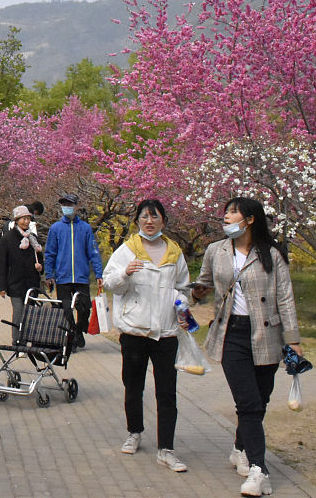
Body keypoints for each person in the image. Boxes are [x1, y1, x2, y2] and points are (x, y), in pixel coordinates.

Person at [192, 197, 303, 497]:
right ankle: (259, 470)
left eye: (233, 212)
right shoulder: (216, 251)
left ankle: (241, 447)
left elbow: (285, 298)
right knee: (248, 403)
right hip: (231, 334)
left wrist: (293, 340)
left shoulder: (272, 254)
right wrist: (197, 293)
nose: (226, 217)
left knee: (260, 400)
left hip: (266, 334)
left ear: (250, 219)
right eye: (225, 213)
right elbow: (203, 285)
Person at [102, 199, 192, 472]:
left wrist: (182, 307)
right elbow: (109, 283)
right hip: (135, 331)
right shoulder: (127, 250)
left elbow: (183, 288)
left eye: (154, 217)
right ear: (137, 221)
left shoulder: (174, 252)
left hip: (166, 333)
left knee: (167, 392)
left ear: (163, 220)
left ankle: (166, 449)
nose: (149, 222)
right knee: (133, 386)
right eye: (144, 217)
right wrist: (124, 273)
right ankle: (134, 432)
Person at [44, 192, 103, 349]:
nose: (67, 207)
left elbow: (93, 252)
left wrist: (99, 273)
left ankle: (79, 331)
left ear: (77, 207)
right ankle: (71, 336)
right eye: (64, 205)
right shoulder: (55, 228)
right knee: (65, 310)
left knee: (84, 308)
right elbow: (50, 253)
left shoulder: (85, 228)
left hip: (81, 276)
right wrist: (49, 274)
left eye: (70, 204)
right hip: (62, 277)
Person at [0, 205, 45, 342]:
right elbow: (2, 263)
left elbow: (40, 258)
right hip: (15, 282)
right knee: (18, 311)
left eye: (28, 218)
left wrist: (40, 267)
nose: (26, 221)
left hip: (31, 282)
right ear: (17, 220)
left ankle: (28, 338)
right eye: (23, 219)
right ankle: (17, 341)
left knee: (29, 312)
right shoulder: (7, 238)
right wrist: (1, 286)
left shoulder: (33, 238)